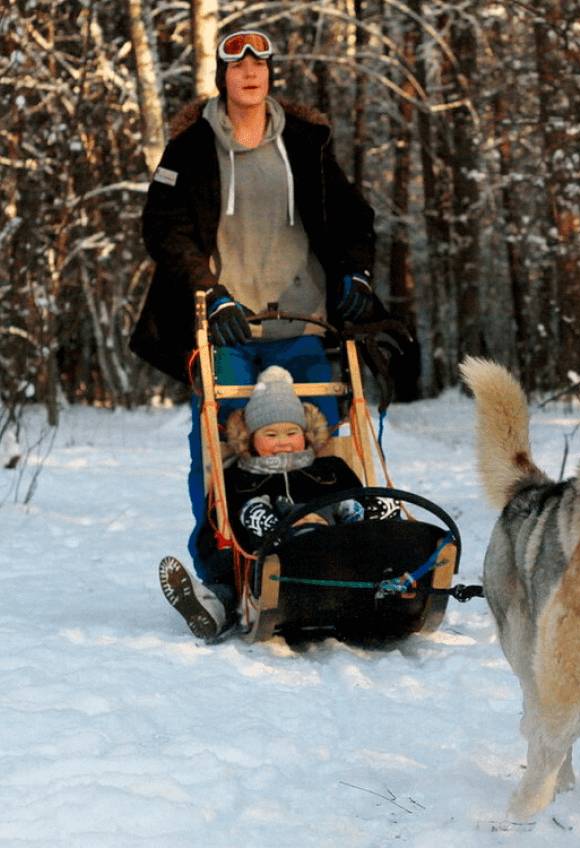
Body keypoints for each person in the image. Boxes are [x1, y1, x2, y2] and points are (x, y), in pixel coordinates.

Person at [129, 28, 386, 596]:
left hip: (306, 323)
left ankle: (342, 555)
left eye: (260, 63)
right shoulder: (191, 148)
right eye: (237, 63)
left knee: (323, 440)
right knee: (221, 446)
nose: (249, 72)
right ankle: (226, 574)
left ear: (270, 73)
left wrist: (356, 274)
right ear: (221, 75)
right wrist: (208, 290)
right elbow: (164, 228)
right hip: (227, 327)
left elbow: (351, 218)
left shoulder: (306, 141)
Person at [159, 366, 396, 641]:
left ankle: (384, 567)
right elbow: (216, 531)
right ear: (252, 438)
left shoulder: (331, 468)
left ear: (306, 434)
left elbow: (359, 493)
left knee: (353, 508)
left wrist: (366, 511)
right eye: (270, 435)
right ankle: (213, 606)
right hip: (271, 560)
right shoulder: (238, 477)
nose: (283, 443)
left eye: (291, 433)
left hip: (339, 548)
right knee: (238, 568)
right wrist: (225, 555)